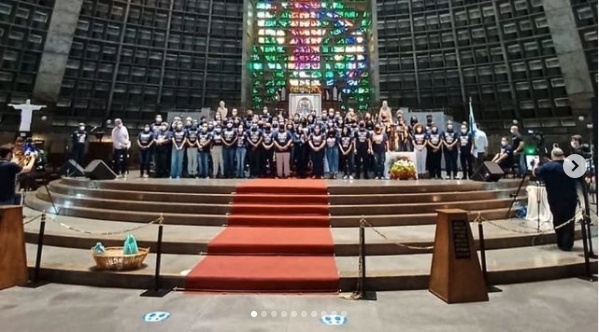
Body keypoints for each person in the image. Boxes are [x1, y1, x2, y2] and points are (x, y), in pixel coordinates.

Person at [533, 148, 578, 251]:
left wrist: (536, 163)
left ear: (552, 156)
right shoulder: (571, 166)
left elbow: (535, 173)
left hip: (555, 199)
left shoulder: (547, 167)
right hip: (571, 199)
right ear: (562, 155)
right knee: (569, 221)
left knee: (558, 220)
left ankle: (561, 242)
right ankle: (568, 244)